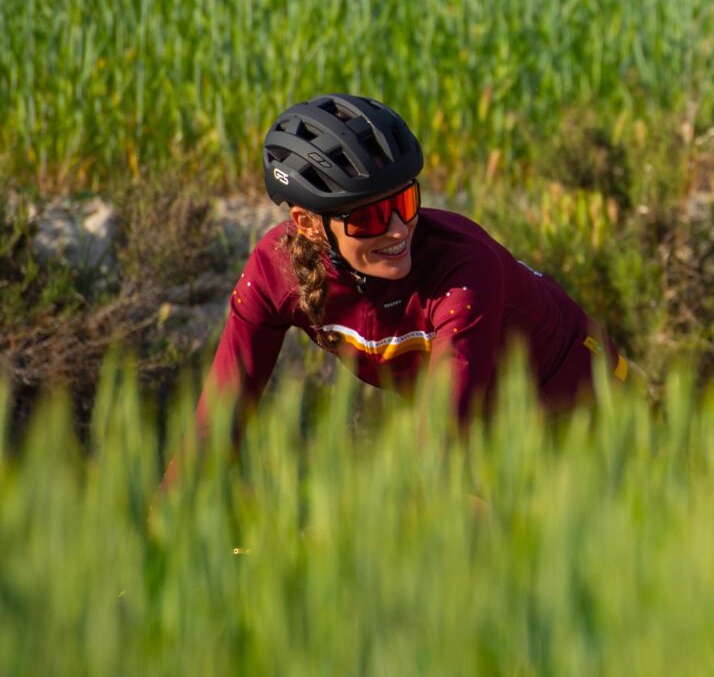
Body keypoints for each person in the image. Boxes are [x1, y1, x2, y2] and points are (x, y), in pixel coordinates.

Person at [201, 93, 616, 433]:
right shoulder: (274, 271)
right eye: (369, 217)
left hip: (592, 413)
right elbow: (217, 423)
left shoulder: (465, 273)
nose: (399, 230)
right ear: (308, 224)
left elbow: (438, 442)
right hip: (489, 435)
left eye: (404, 202)